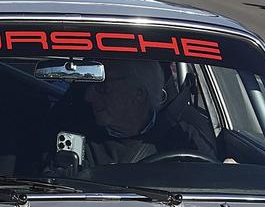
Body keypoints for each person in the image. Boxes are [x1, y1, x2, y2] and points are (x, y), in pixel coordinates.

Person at [66, 63, 216, 168]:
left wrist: (227, 173)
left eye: (102, 87)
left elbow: (213, 185)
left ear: (139, 94)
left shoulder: (183, 136)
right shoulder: (75, 138)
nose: (88, 96)